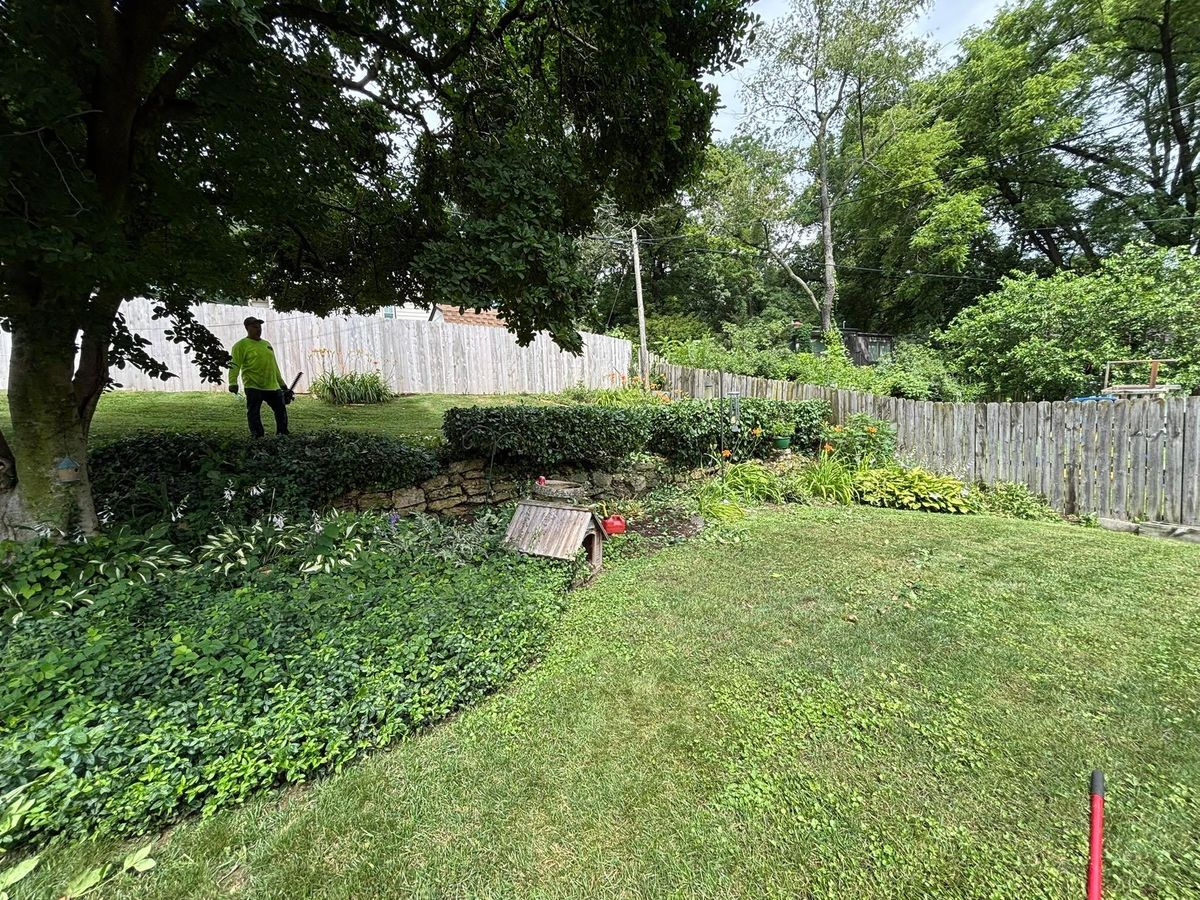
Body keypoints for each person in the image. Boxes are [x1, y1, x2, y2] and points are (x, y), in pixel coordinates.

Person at [228, 316, 292, 437]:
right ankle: (257, 436)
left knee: (281, 410)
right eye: (255, 327)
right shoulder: (241, 345)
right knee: (253, 412)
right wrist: (233, 383)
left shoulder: (267, 344)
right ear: (247, 328)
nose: (258, 329)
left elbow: (274, 365)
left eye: (259, 327)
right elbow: (234, 364)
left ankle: (282, 434)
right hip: (253, 385)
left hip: (272, 385)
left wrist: (282, 384)